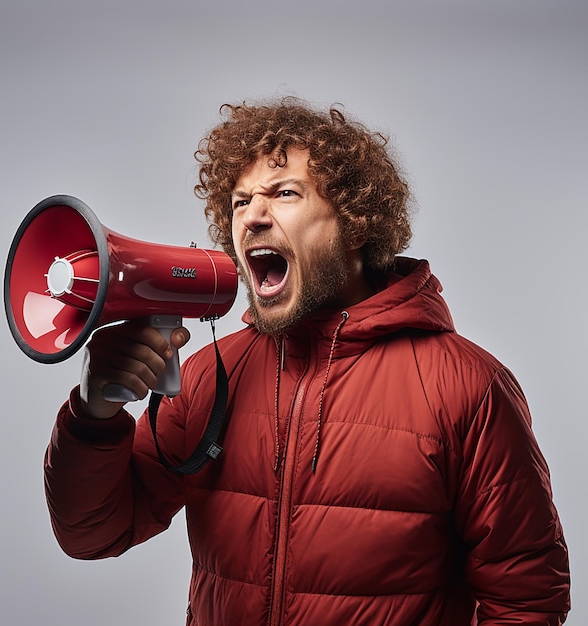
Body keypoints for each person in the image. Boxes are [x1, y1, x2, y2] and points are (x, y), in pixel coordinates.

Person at [44, 97, 571, 625]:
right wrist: (95, 415)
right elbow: (93, 532)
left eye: (284, 193)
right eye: (239, 200)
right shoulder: (207, 376)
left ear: (356, 224)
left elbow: (526, 601)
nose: (252, 216)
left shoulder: (467, 387)